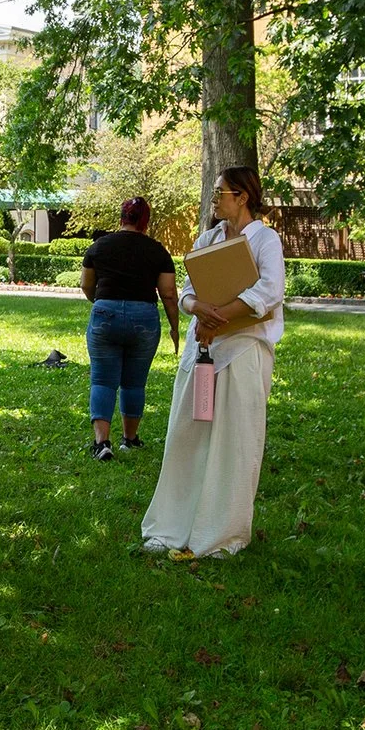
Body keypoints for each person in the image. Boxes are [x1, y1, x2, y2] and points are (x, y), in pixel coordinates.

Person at [142, 166, 286, 558]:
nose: (214, 198)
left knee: (234, 441)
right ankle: (172, 526)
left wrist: (219, 319)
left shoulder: (266, 239)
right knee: (187, 435)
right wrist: (198, 307)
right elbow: (188, 290)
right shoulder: (209, 238)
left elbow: (269, 292)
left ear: (241, 196)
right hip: (202, 352)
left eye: (220, 192)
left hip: (242, 350)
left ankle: (221, 534)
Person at [79, 197, 181, 460]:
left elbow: (86, 285)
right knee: (134, 383)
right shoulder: (157, 250)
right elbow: (168, 293)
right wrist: (174, 326)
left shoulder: (99, 247)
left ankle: (102, 443)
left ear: (121, 217)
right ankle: (130, 438)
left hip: (104, 315)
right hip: (143, 317)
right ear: (145, 221)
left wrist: (101, 303)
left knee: (102, 380)